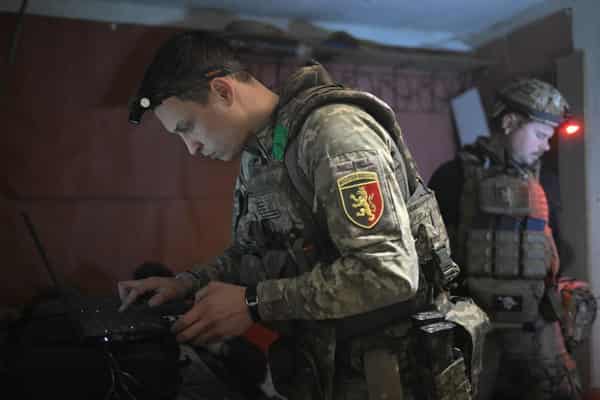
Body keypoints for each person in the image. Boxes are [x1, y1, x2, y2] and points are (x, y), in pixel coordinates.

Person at [119, 31, 488, 400]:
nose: (192, 148)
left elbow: (388, 272)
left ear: (222, 91)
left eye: (187, 128)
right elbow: (251, 254)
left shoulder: (335, 133)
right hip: (328, 371)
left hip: (394, 375)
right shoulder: (260, 154)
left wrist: (255, 303)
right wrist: (186, 284)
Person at [429, 78, 582, 400]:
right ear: (510, 122)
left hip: (534, 334)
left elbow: (555, 254)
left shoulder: (545, 183)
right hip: (474, 335)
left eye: (549, 137)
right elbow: (430, 256)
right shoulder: (453, 177)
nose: (546, 146)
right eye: (540, 135)